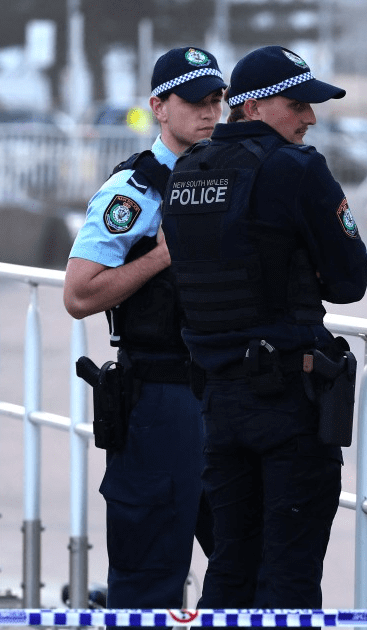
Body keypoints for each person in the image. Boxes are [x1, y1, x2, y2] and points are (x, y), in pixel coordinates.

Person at [160, 45, 367, 608]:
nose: (310, 117)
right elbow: (351, 279)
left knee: (231, 568)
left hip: (218, 405)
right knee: (290, 575)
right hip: (289, 406)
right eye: (297, 104)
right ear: (250, 107)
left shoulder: (186, 173)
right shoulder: (297, 169)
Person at [63, 46, 226, 609]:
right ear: (159, 106)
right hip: (160, 397)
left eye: (216, 100)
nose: (209, 113)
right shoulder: (134, 192)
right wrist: (159, 258)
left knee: (240, 565)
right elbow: (79, 293)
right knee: (150, 573)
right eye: (193, 102)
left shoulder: (225, 178)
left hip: (222, 393)